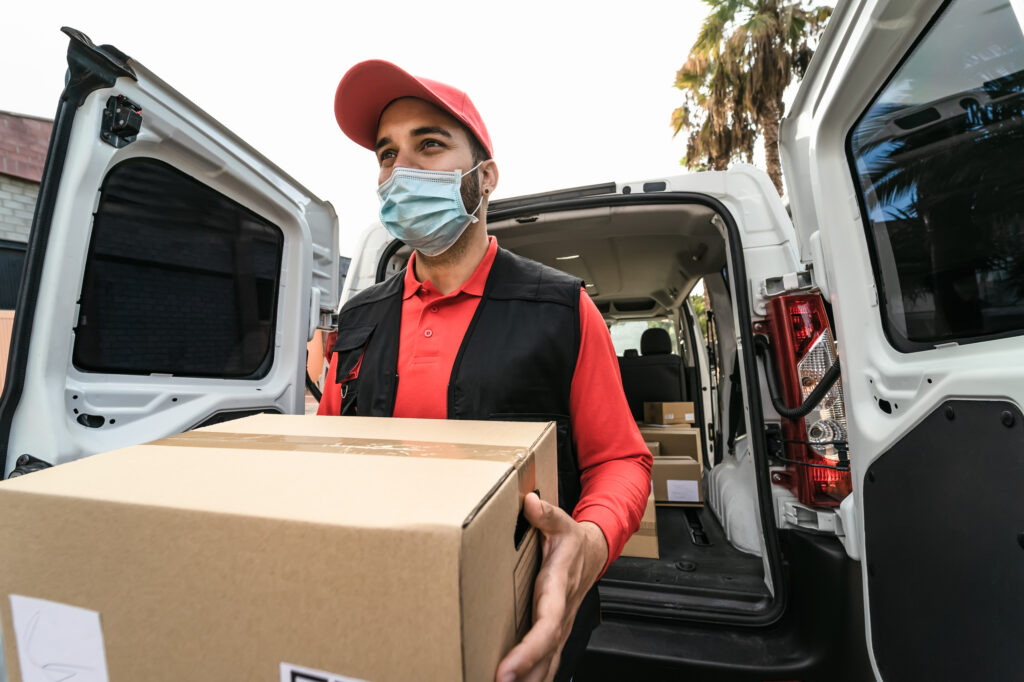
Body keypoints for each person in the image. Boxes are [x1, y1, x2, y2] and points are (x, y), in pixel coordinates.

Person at [320, 60, 652, 682]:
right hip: (378, 602)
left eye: (431, 144)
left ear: (485, 176)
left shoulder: (560, 308)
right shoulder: (358, 318)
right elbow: (326, 454)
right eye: (388, 154)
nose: (402, 169)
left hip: (522, 622)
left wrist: (585, 545)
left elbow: (621, 461)